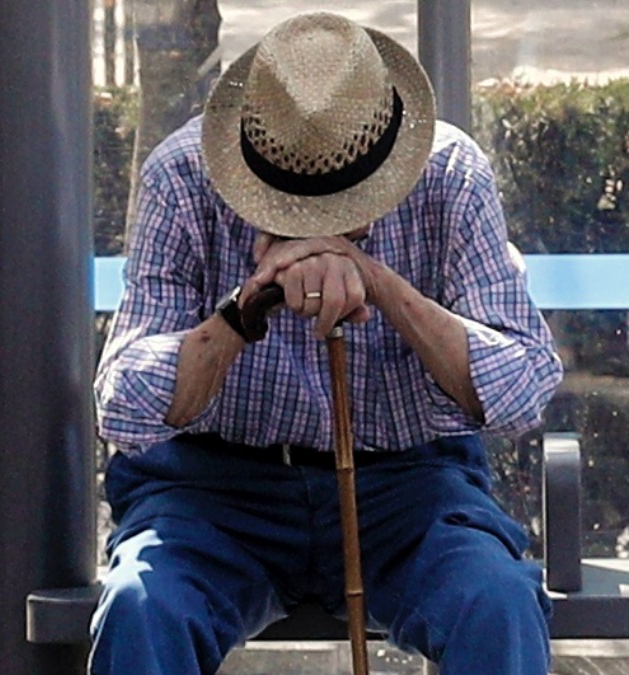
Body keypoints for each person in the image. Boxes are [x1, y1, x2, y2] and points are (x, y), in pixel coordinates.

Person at [90, 11, 563, 675]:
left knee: (498, 601)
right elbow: (124, 408)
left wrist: (377, 282)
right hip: (211, 492)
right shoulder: (181, 176)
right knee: (143, 604)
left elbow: (524, 388)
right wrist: (248, 305)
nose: (319, 226)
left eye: (346, 206)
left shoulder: (451, 173)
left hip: (408, 488)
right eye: (295, 207)